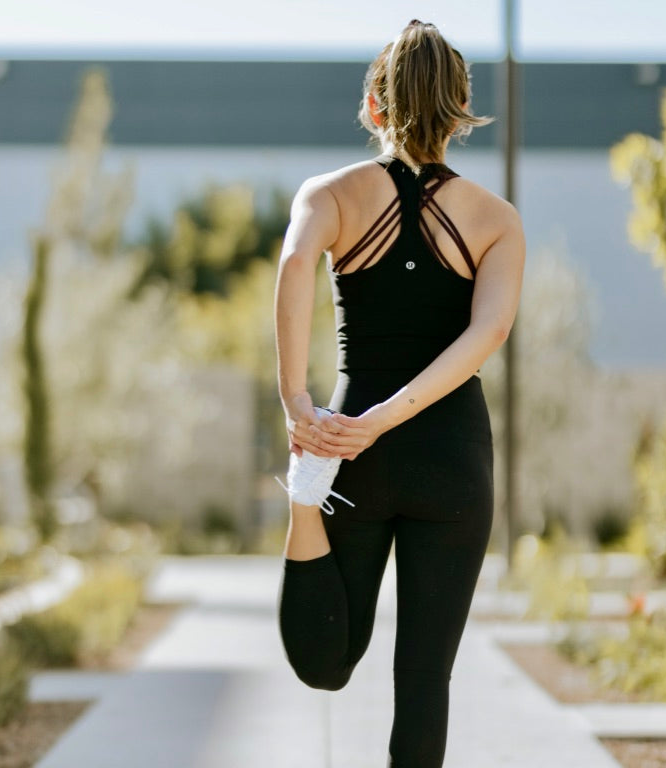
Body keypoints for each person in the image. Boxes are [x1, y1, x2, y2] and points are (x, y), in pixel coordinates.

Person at [273, 19, 525, 767]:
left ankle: (299, 500)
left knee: (327, 660)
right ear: (459, 112)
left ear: (374, 108)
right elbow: (485, 337)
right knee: (424, 685)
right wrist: (390, 420)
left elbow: (292, 267)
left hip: (350, 453)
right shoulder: (497, 221)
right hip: (453, 462)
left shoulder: (330, 195)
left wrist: (299, 405)